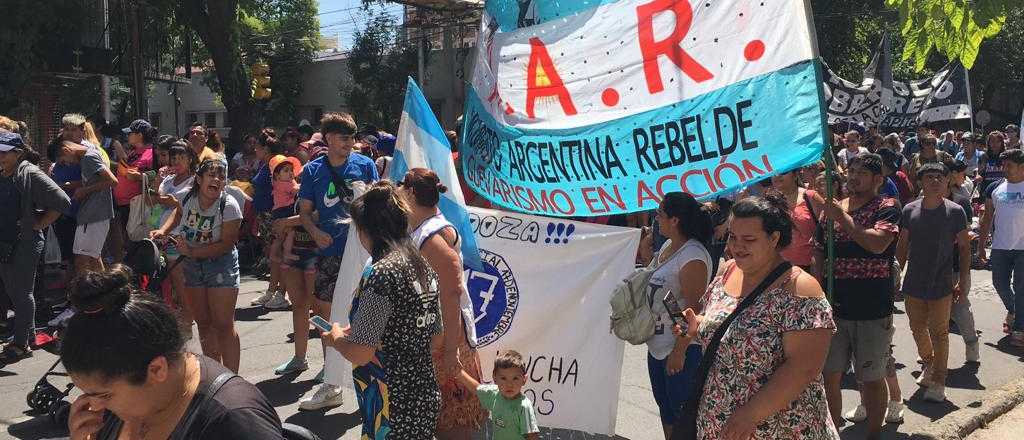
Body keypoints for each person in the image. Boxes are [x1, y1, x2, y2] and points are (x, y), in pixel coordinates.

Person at [672, 193, 838, 439]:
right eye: (732, 236)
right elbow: (726, 323)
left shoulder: (799, 288)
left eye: (749, 239)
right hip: (720, 424)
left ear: (774, 238)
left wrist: (751, 414)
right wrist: (697, 325)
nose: (737, 246)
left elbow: (804, 367)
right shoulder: (728, 270)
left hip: (780, 428)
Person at [62, 266, 284, 440]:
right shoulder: (120, 403)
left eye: (103, 396)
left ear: (157, 369)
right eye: (87, 394)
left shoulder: (234, 423)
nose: (93, 407)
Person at [321, 180, 441, 438]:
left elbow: (361, 353)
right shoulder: (421, 265)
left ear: (366, 230)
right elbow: (435, 336)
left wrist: (337, 338)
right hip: (423, 394)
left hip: (390, 403)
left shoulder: (382, 273)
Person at [290, 112, 378, 406]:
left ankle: (372, 382)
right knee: (328, 317)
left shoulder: (365, 165)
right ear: (328, 138)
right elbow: (305, 212)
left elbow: (380, 206)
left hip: (365, 254)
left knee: (370, 317)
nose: (349, 143)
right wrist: (315, 232)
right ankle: (332, 383)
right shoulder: (313, 170)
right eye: (343, 138)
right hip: (329, 254)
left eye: (352, 137)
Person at [399, 168, 487, 438]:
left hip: (446, 337)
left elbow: (451, 289)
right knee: (443, 417)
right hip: (440, 333)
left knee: (452, 420)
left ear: (410, 193)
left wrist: (450, 350)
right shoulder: (425, 227)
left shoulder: (431, 234)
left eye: (401, 186)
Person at [820, 153, 900, 440]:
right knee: (830, 375)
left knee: (871, 377)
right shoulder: (834, 207)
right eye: (851, 171)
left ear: (878, 180)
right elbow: (819, 249)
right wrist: (818, 291)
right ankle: (834, 433)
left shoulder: (887, 206)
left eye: (862, 173)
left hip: (871, 307)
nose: (853, 177)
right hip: (834, 307)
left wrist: (841, 218)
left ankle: (874, 434)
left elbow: (877, 244)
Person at [152, 159, 243, 372]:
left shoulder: (230, 206)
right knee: (203, 323)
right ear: (199, 180)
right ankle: (215, 375)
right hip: (192, 264)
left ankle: (232, 377)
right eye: (211, 175)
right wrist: (163, 231)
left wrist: (191, 252)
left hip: (220, 265)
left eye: (221, 176)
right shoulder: (187, 197)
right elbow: (178, 214)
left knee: (223, 324)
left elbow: (226, 244)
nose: (217, 180)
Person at [639, 192, 714, 439]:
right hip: (658, 346)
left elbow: (693, 311)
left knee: (683, 418)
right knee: (667, 411)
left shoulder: (693, 256)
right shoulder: (669, 247)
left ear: (675, 220)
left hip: (681, 351)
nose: (656, 219)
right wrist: (646, 254)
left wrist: (679, 351)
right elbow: (662, 287)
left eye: (659, 214)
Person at [894, 163, 971, 402]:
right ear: (920, 182)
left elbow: (965, 247)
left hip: (942, 283)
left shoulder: (956, 211)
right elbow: (902, 246)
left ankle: (939, 380)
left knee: (940, 332)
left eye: (940, 177)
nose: (935, 181)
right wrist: (895, 276)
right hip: (913, 283)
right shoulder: (909, 210)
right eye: (929, 177)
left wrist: (964, 280)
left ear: (947, 181)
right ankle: (929, 363)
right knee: (917, 328)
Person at [0, 132, 71, 362]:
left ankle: (21, 344)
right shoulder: (4, 173)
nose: (0, 156)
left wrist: (40, 223)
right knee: (13, 291)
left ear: (18, 153)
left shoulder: (29, 173)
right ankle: (28, 336)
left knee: (22, 293)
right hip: (5, 242)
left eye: (4, 152)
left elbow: (62, 201)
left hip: (25, 242)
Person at [978, 149, 1024, 345]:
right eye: (1003, 165)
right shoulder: (994, 188)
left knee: (1021, 288)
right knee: (999, 283)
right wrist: (981, 245)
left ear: (1022, 167)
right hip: (1000, 246)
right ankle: (1014, 311)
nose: (1004, 169)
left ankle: (1020, 329)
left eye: (1009, 166)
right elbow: (987, 218)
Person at [156, 143, 200, 331]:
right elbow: (154, 198)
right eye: (174, 158)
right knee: (170, 282)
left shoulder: (195, 181)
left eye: (182, 157)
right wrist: (157, 181)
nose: (177, 161)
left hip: (179, 235)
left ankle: (188, 321)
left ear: (190, 159)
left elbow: (186, 207)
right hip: (162, 234)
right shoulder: (167, 180)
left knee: (180, 281)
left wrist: (173, 202)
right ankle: (180, 318)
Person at [59, 141, 117, 274]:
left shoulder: (89, 157)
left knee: (83, 259)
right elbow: (93, 181)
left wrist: (85, 190)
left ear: (67, 151)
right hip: (89, 215)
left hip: (94, 215)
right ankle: (101, 286)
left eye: (64, 160)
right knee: (92, 257)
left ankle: (89, 286)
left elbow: (112, 181)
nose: (68, 164)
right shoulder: (88, 157)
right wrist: (72, 186)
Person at [453, 350, 540, 440]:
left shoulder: (524, 407)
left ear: (524, 380)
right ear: (495, 378)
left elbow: (532, 436)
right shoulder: (494, 394)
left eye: (515, 378)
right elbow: (477, 389)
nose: (509, 384)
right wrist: (459, 372)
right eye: (503, 378)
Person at [944, 160, 981, 363]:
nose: (934, 183)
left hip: (956, 266)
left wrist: (964, 275)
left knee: (960, 309)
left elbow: (965, 242)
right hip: (931, 268)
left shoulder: (961, 203)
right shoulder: (921, 203)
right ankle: (931, 355)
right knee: (932, 313)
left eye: (939, 178)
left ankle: (972, 345)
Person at [250, 129, 290, 309]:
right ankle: (272, 290)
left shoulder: (277, 164)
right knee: (274, 256)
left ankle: (281, 293)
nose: (255, 150)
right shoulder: (265, 165)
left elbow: (287, 187)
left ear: (265, 149)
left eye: (257, 147)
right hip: (266, 216)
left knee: (279, 254)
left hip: (276, 215)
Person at [109, 119, 156, 263]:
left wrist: (138, 175)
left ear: (140, 135)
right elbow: (124, 170)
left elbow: (145, 175)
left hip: (137, 206)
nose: (127, 136)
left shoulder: (150, 153)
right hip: (123, 204)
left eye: (130, 133)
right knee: (127, 240)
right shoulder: (133, 152)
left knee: (136, 241)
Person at [264, 154, 303, 312]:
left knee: (285, 236)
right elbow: (296, 190)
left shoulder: (286, 181)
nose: (290, 173)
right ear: (276, 175)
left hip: (282, 212)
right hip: (283, 212)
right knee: (288, 234)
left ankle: (278, 253)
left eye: (291, 170)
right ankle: (283, 253)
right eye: (285, 171)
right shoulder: (283, 184)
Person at [772, 170, 823, 275]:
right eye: (773, 173)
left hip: (811, 267)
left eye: (783, 172)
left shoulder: (810, 197)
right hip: (781, 267)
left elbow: (826, 227)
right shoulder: (771, 201)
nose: (777, 176)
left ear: (795, 175)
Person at [978, 131, 1007, 202]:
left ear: (1002, 142)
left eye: (998, 141)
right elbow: (980, 173)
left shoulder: (1006, 156)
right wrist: (978, 175)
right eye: (992, 141)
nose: (995, 144)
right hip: (987, 190)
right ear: (988, 143)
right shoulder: (984, 157)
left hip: (1003, 190)